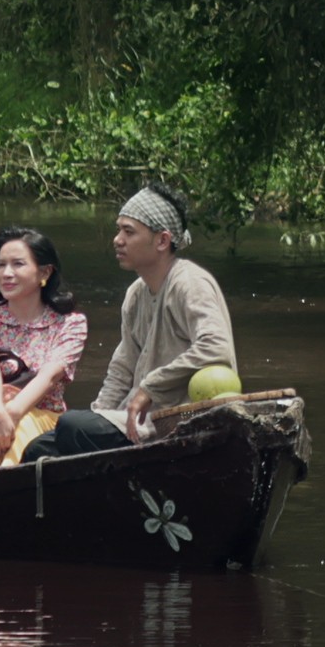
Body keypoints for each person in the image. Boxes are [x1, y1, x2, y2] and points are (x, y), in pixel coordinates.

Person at [41, 186, 237, 452]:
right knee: (41, 446)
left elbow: (216, 346)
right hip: (134, 420)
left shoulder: (189, 283)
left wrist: (149, 388)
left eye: (129, 231)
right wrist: (99, 413)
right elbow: (124, 366)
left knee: (73, 426)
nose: (117, 239)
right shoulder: (135, 293)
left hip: (177, 420)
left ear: (162, 241)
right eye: (119, 229)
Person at [0, 230, 92, 467]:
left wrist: (11, 413)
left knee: (23, 429)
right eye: (1, 265)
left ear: (44, 272)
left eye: (18, 264)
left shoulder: (70, 323)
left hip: (43, 418)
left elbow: (50, 376)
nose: (7, 274)